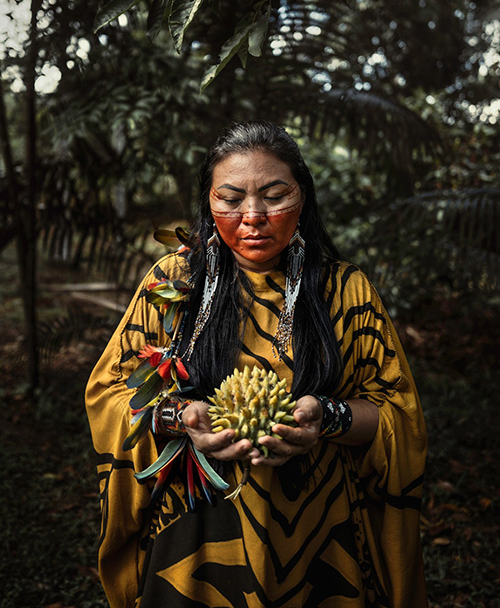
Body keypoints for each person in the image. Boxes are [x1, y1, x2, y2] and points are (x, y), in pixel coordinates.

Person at [85, 121, 428, 608]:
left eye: (274, 196)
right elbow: (110, 393)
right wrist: (180, 418)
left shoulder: (346, 291)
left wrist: (326, 418)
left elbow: (397, 414)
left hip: (320, 539)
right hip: (196, 539)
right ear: (208, 202)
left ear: (302, 199)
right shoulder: (173, 281)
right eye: (229, 198)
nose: (253, 216)